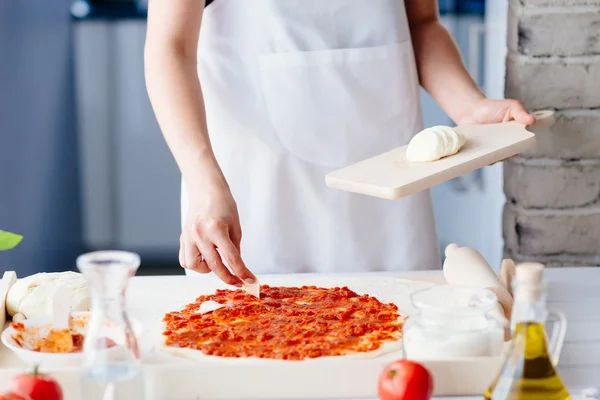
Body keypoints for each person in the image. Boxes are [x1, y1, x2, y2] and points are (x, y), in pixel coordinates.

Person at [144, 0, 534, 287]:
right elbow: (169, 48)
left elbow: (421, 23)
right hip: (256, 193)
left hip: (388, 201)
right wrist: (202, 181)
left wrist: (469, 106)